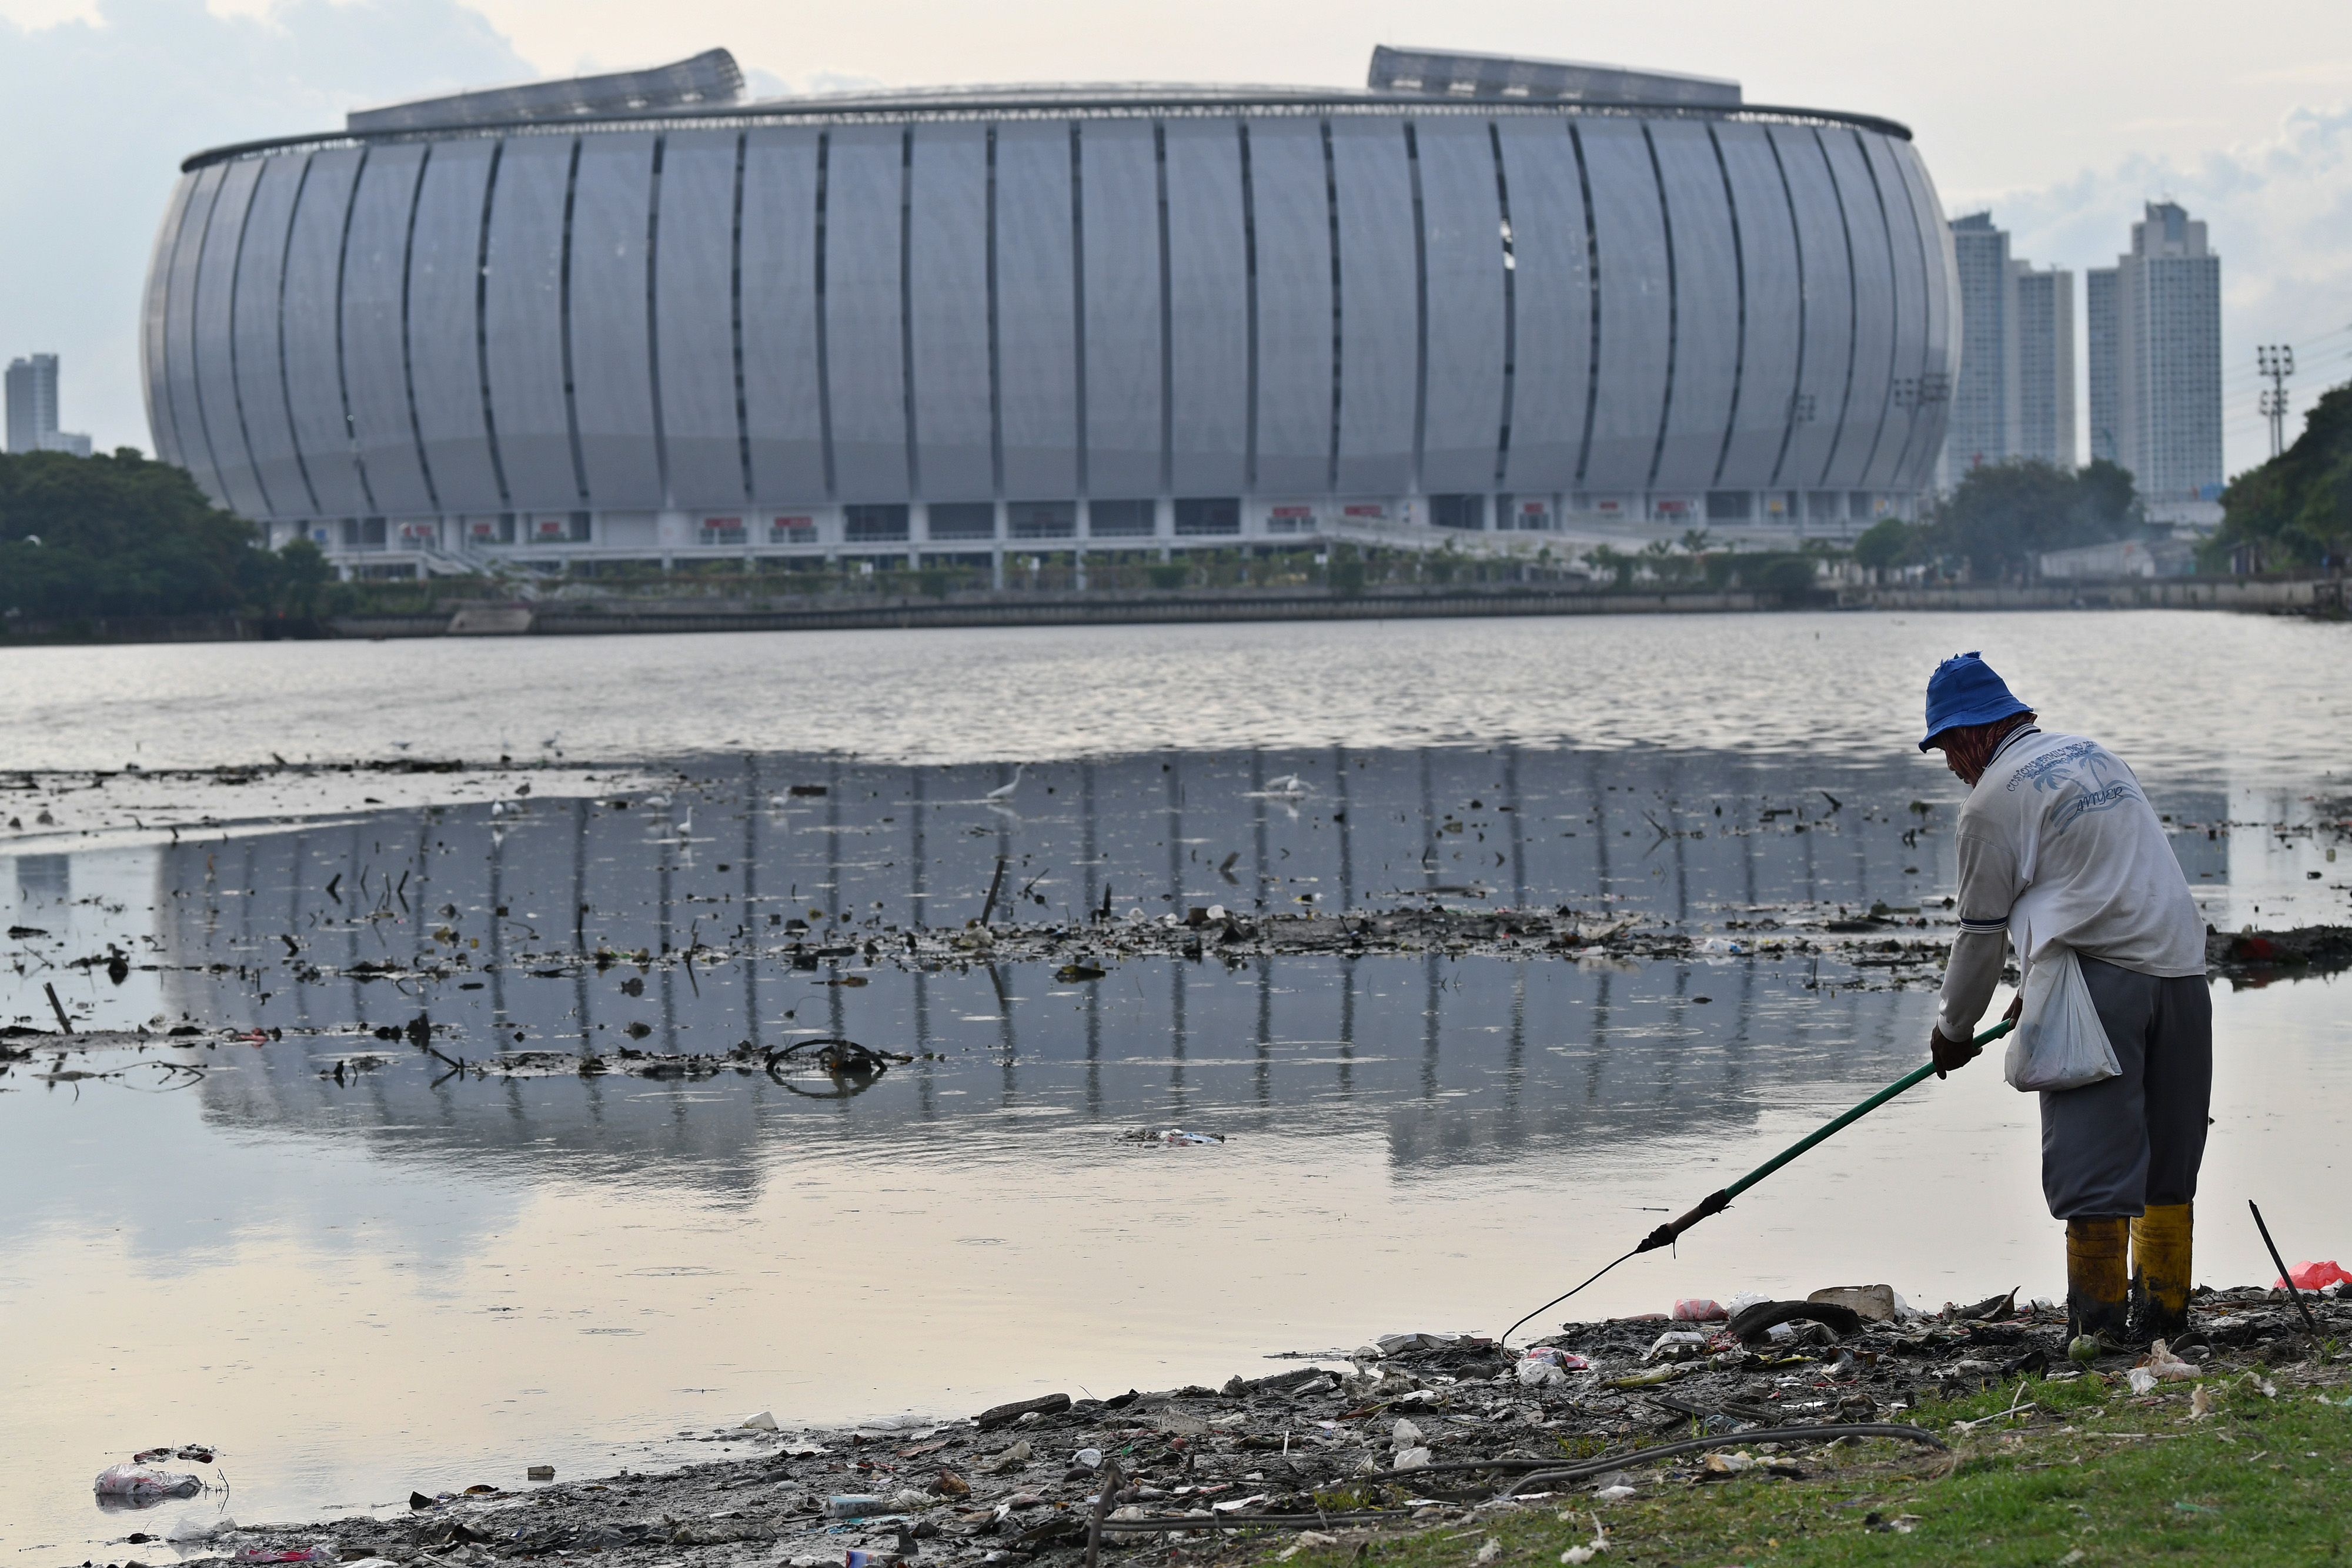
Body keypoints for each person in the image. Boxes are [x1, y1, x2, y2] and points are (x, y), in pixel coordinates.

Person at [1917, 652, 2210, 1343]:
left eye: (1948, 751)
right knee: (2170, 1161)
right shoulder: (2092, 754)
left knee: (2093, 1164)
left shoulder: (1988, 805)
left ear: (1969, 735)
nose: (1953, 768)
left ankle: (2099, 1332)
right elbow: (2098, 878)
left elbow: (1980, 937)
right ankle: (2167, 1322)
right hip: (2182, 968)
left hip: (2106, 981)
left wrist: (1953, 1030)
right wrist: (2042, 981)